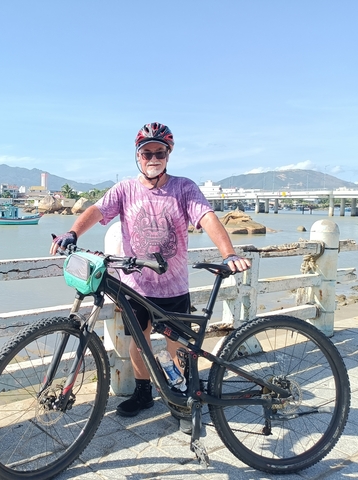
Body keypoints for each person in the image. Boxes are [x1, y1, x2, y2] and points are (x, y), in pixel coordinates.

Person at [50, 122, 251, 434]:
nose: (152, 158)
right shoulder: (125, 190)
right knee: (138, 343)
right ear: (137, 156)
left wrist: (228, 253)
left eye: (159, 152)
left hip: (173, 286)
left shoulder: (184, 188)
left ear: (168, 155)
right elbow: (97, 210)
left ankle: (184, 398)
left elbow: (207, 217)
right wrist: (73, 231)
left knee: (177, 347)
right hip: (136, 286)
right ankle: (143, 393)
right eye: (147, 153)